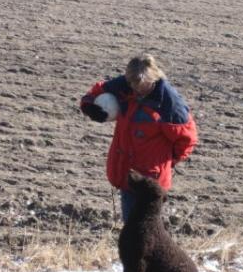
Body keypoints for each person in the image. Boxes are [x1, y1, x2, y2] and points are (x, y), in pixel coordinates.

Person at [80, 54, 198, 222]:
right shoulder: (126, 85)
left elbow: (187, 140)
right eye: (131, 84)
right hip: (127, 176)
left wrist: (167, 162)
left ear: (153, 79)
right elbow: (95, 92)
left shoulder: (170, 104)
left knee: (146, 232)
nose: (135, 90)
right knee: (132, 230)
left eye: (140, 86)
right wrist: (89, 107)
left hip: (150, 183)